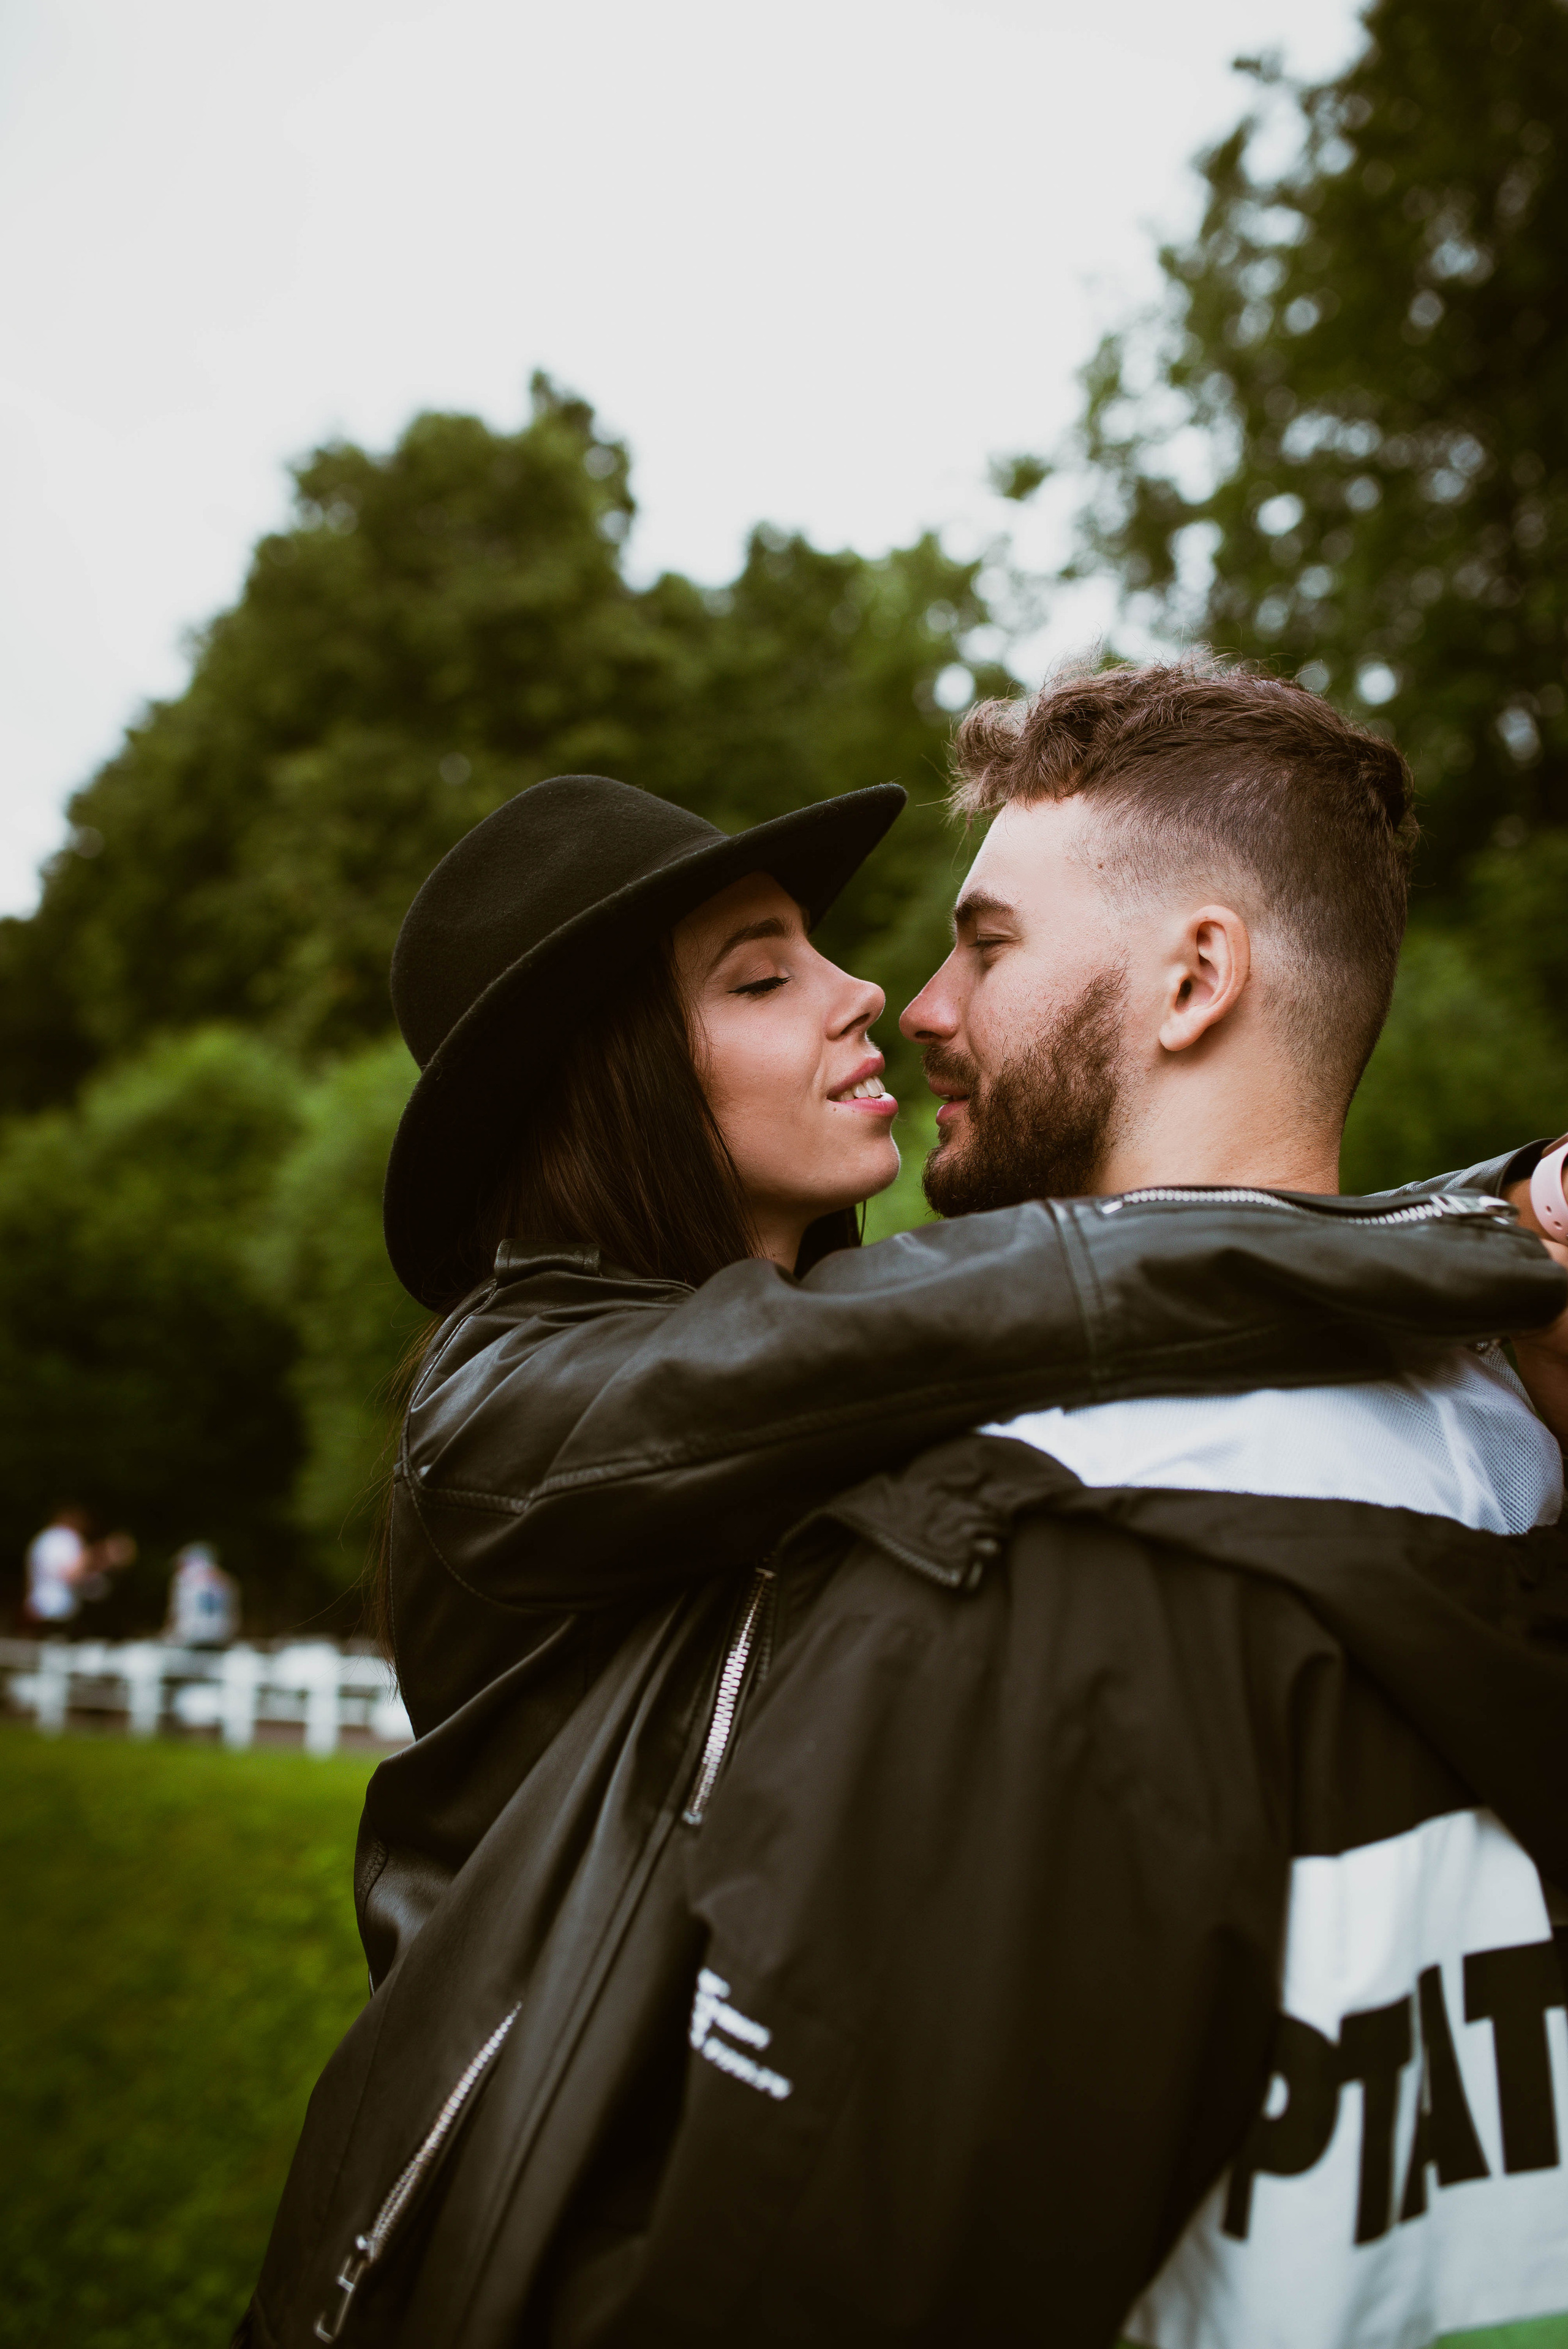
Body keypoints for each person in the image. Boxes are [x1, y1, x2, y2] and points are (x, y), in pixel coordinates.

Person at [243, 697, 1568, 2348]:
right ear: (626, 1085)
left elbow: (1023, 1297)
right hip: (526, 2231)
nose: (870, 989)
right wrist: (1485, 1246)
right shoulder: (507, 1408)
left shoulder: (879, 1339)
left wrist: (1481, 1236)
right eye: (761, 974)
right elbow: (1021, 1293)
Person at [23, 1506, 92, 1626]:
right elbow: (71, 1574)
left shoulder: (41, 1538)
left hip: (37, 1607)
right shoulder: (69, 1538)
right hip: (61, 1609)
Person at [164, 1543, 241, 1647]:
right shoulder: (226, 1580)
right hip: (222, 1636)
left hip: (190, 1636)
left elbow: (176, 1613)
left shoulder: (183, 1578)